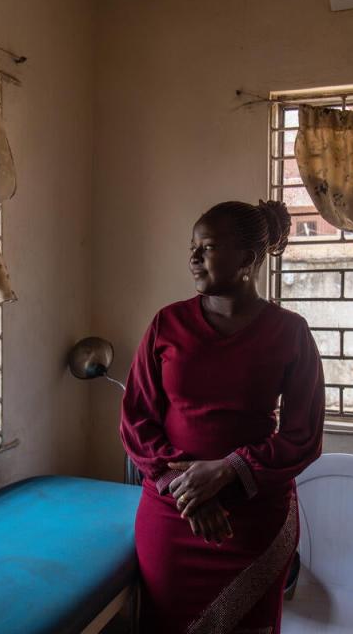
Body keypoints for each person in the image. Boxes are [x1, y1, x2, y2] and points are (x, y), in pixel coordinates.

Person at [120, 199, 326, 633]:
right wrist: (187, 488)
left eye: (208, 247)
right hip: (172, 515)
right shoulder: (166, 324)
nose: (193, 257)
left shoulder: (290, 332)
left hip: (251, 521)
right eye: (192, 246)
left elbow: (303, 434)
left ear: (248, 259)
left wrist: (230, 470)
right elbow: (136, 418)